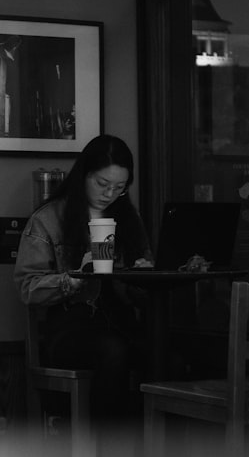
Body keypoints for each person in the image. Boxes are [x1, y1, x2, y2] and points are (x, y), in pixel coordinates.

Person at [14, 134, 153, 426]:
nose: (109, 194)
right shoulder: (49, 218)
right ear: (83, 175)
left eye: (119, 188)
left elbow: (139, 290)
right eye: (103, 184)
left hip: (120, 319)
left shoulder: (128, 217)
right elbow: (28, 287)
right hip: (70, 326)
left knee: (165, 354)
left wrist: (142, 274)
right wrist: (73, 279)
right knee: (113, 350)